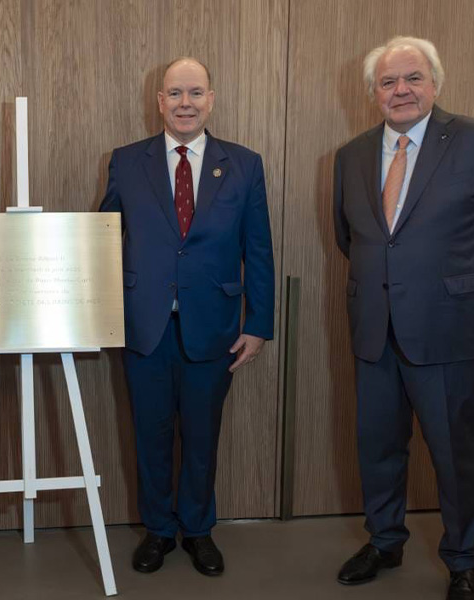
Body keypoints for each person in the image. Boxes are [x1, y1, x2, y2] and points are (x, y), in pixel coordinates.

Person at [333, 36, 474, 600]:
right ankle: (384, 541)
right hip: (375, 331)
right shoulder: (351, 156)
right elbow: (351, 238)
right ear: (373, 93)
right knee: (377, 449)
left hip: (451, 332)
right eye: (388, 82)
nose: (401, 90)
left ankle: (464, 561)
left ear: (435, 83)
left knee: (455, 455)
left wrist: (465, 291)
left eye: (412, 78)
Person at [99, 57, 275, 577]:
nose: (185, 103)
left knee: (202, 436)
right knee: (150, 436)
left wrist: (258, 323)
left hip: (214, 326)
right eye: (175, 93)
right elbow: (103, 239)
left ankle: (197, 530)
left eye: (195, 93)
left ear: (211, 100)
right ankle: (158, 530)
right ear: (160, 101)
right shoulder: (126, 161)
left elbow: (258, 249)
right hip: (144, 326)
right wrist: (98, 313)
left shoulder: (244, 164)